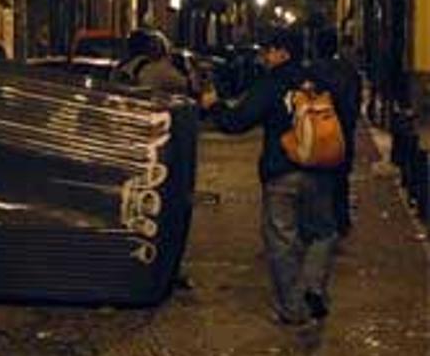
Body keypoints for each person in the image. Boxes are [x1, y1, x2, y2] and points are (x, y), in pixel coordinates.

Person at [200, 29, 340, 325]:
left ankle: (293, 307)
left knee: (282, 240)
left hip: (282, 171)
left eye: (270, 50)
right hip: (319, 171)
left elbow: (237, 122)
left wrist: (214, 105)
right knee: (324, 233)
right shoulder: (318, 82)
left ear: (283, 53)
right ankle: (313, 286)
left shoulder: (271, 83)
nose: (265, 56)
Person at [310, 29, 362, 236]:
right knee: (341, 178)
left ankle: (321, 221)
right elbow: (355, 103)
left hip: (319, 132)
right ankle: (340, 221)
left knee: (318, 179)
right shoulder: (349, 71)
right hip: (343, 132)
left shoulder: (311, 72)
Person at [117, 31, 189, 95]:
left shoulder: (171, 64)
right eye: (150, 43)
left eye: (156, 44)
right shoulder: (139, 62)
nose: (152, 46)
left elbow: (183, 85)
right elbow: (122, 78)